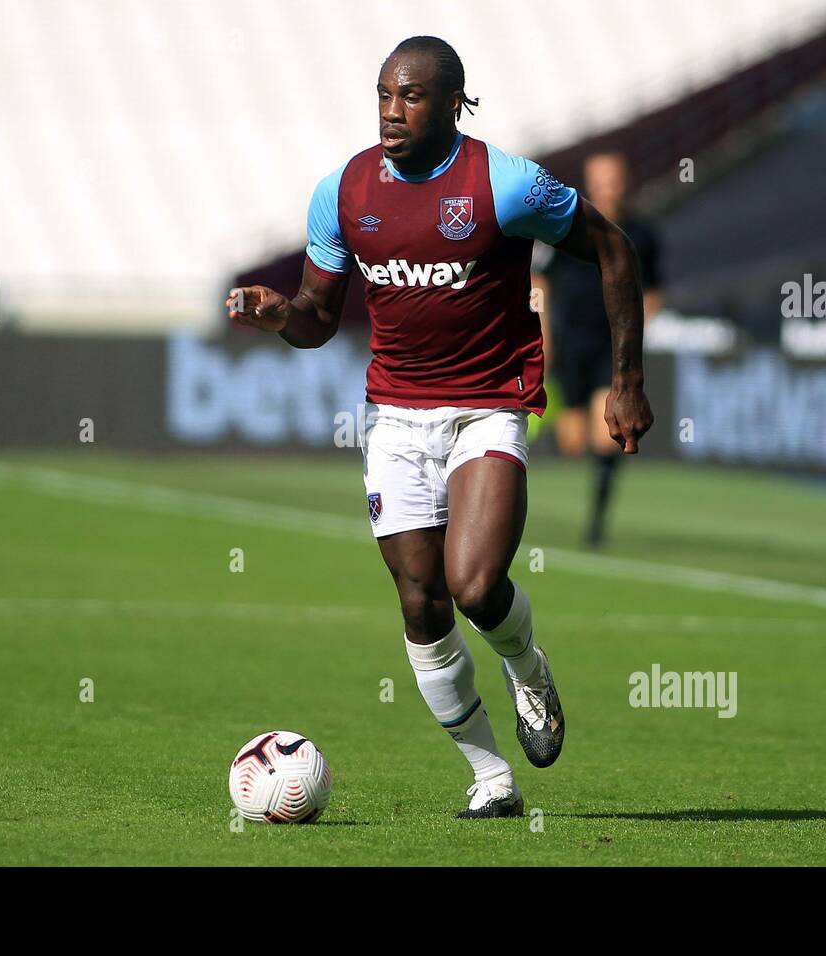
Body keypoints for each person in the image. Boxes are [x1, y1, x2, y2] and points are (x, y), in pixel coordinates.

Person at [227, 36, 652, 818]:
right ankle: (492, 780)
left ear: (453, 102)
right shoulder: (345, 190)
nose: (392, 111)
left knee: (475, 584)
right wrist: (283, 313)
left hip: (488, 405)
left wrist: (626, 381)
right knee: (423, 605)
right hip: (394, 418)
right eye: (384, 95)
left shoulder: (506, 183)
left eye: (411, 97)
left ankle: (527, 667)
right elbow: (321, 314)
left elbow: (616, 253)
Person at [532, 151, 664, 547]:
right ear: (590, 181)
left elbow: (653, 293)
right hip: (569, 344)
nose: (608, 185)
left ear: (625, 179)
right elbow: (540, 282)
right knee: (573, 442)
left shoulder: (641, 235)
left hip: (612, 348)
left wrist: (635, 335)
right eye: (600, 178)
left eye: (614, 177)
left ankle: (596, 525)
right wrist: (543, 336)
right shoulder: (567, 225)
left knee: (605, 434)